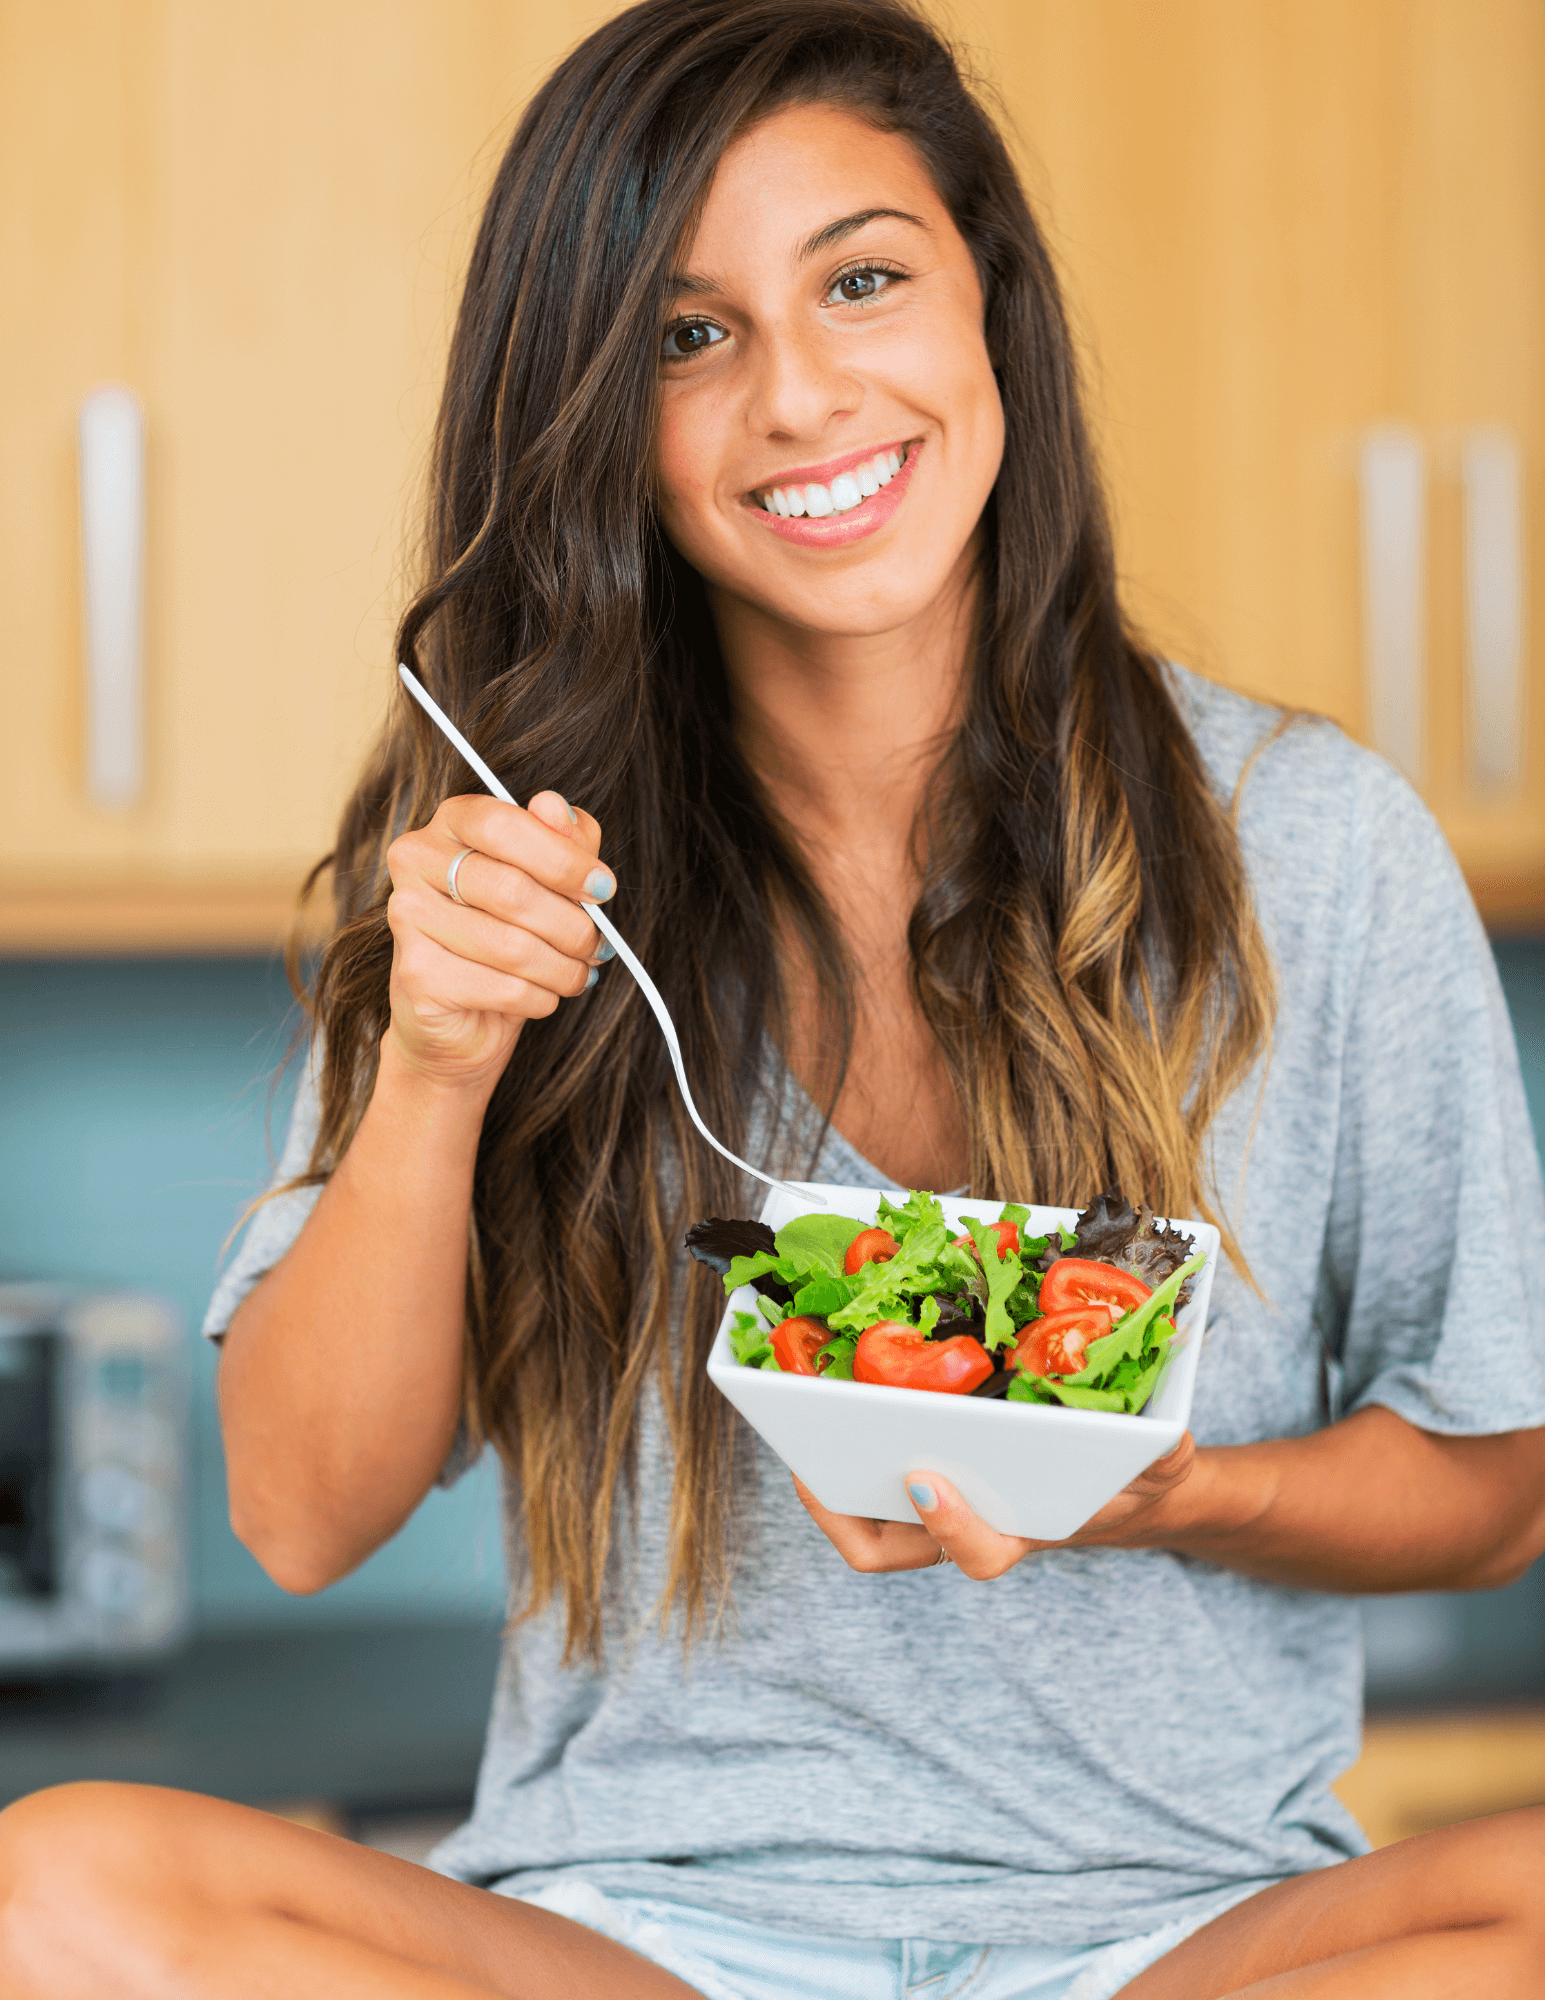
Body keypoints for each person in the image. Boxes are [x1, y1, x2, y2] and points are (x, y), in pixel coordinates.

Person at [5, 2, 1545, 1994]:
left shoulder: (1310, 845)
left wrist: (1166, 1491)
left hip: (1172, 1942)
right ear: (593, 416)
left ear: (986, 303)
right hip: (641, 1943)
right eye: (686, 333)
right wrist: (440, 1063)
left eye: (865, 282)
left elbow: (1497, 1480)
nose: (803, 395)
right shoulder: (500, 861)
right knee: (58, 1884)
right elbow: (302, 1510)